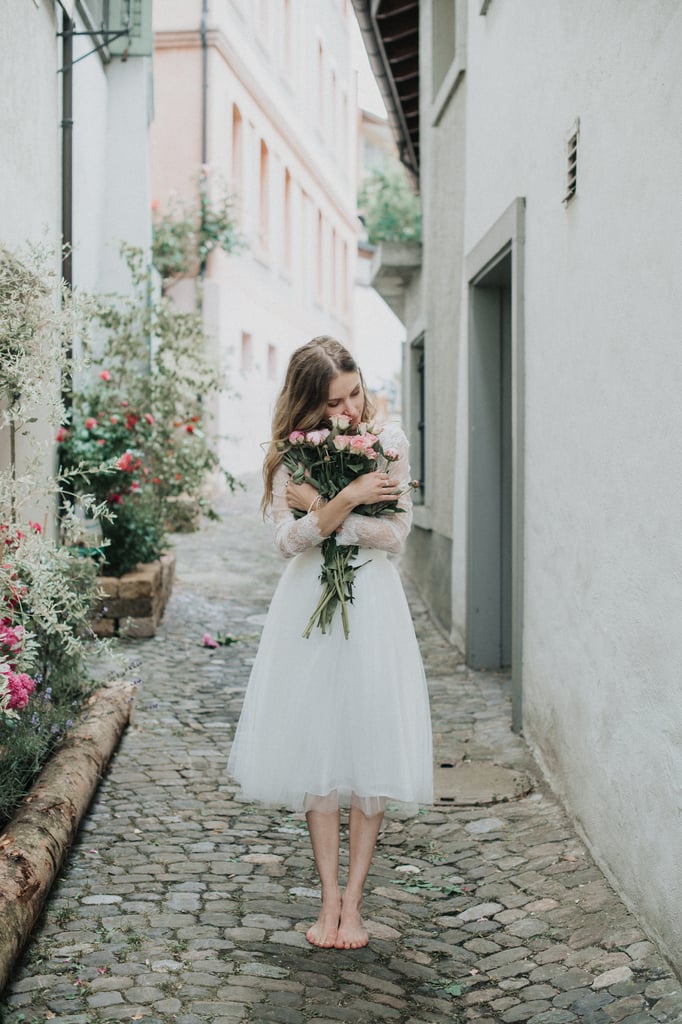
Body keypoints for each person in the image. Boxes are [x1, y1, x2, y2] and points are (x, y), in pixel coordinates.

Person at [227, 336, 433, 950]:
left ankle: (354, 904)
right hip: (308, 612)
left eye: (354, 395)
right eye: (334, 404)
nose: (348, 413)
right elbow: (286, 543)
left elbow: (395, 535)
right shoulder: (291, 454)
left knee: (369, 745)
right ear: (309, 405)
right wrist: (343, 498)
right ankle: (325, 899)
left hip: (372, 606)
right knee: (319, 745)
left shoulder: (389, 444)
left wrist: (321, 512)